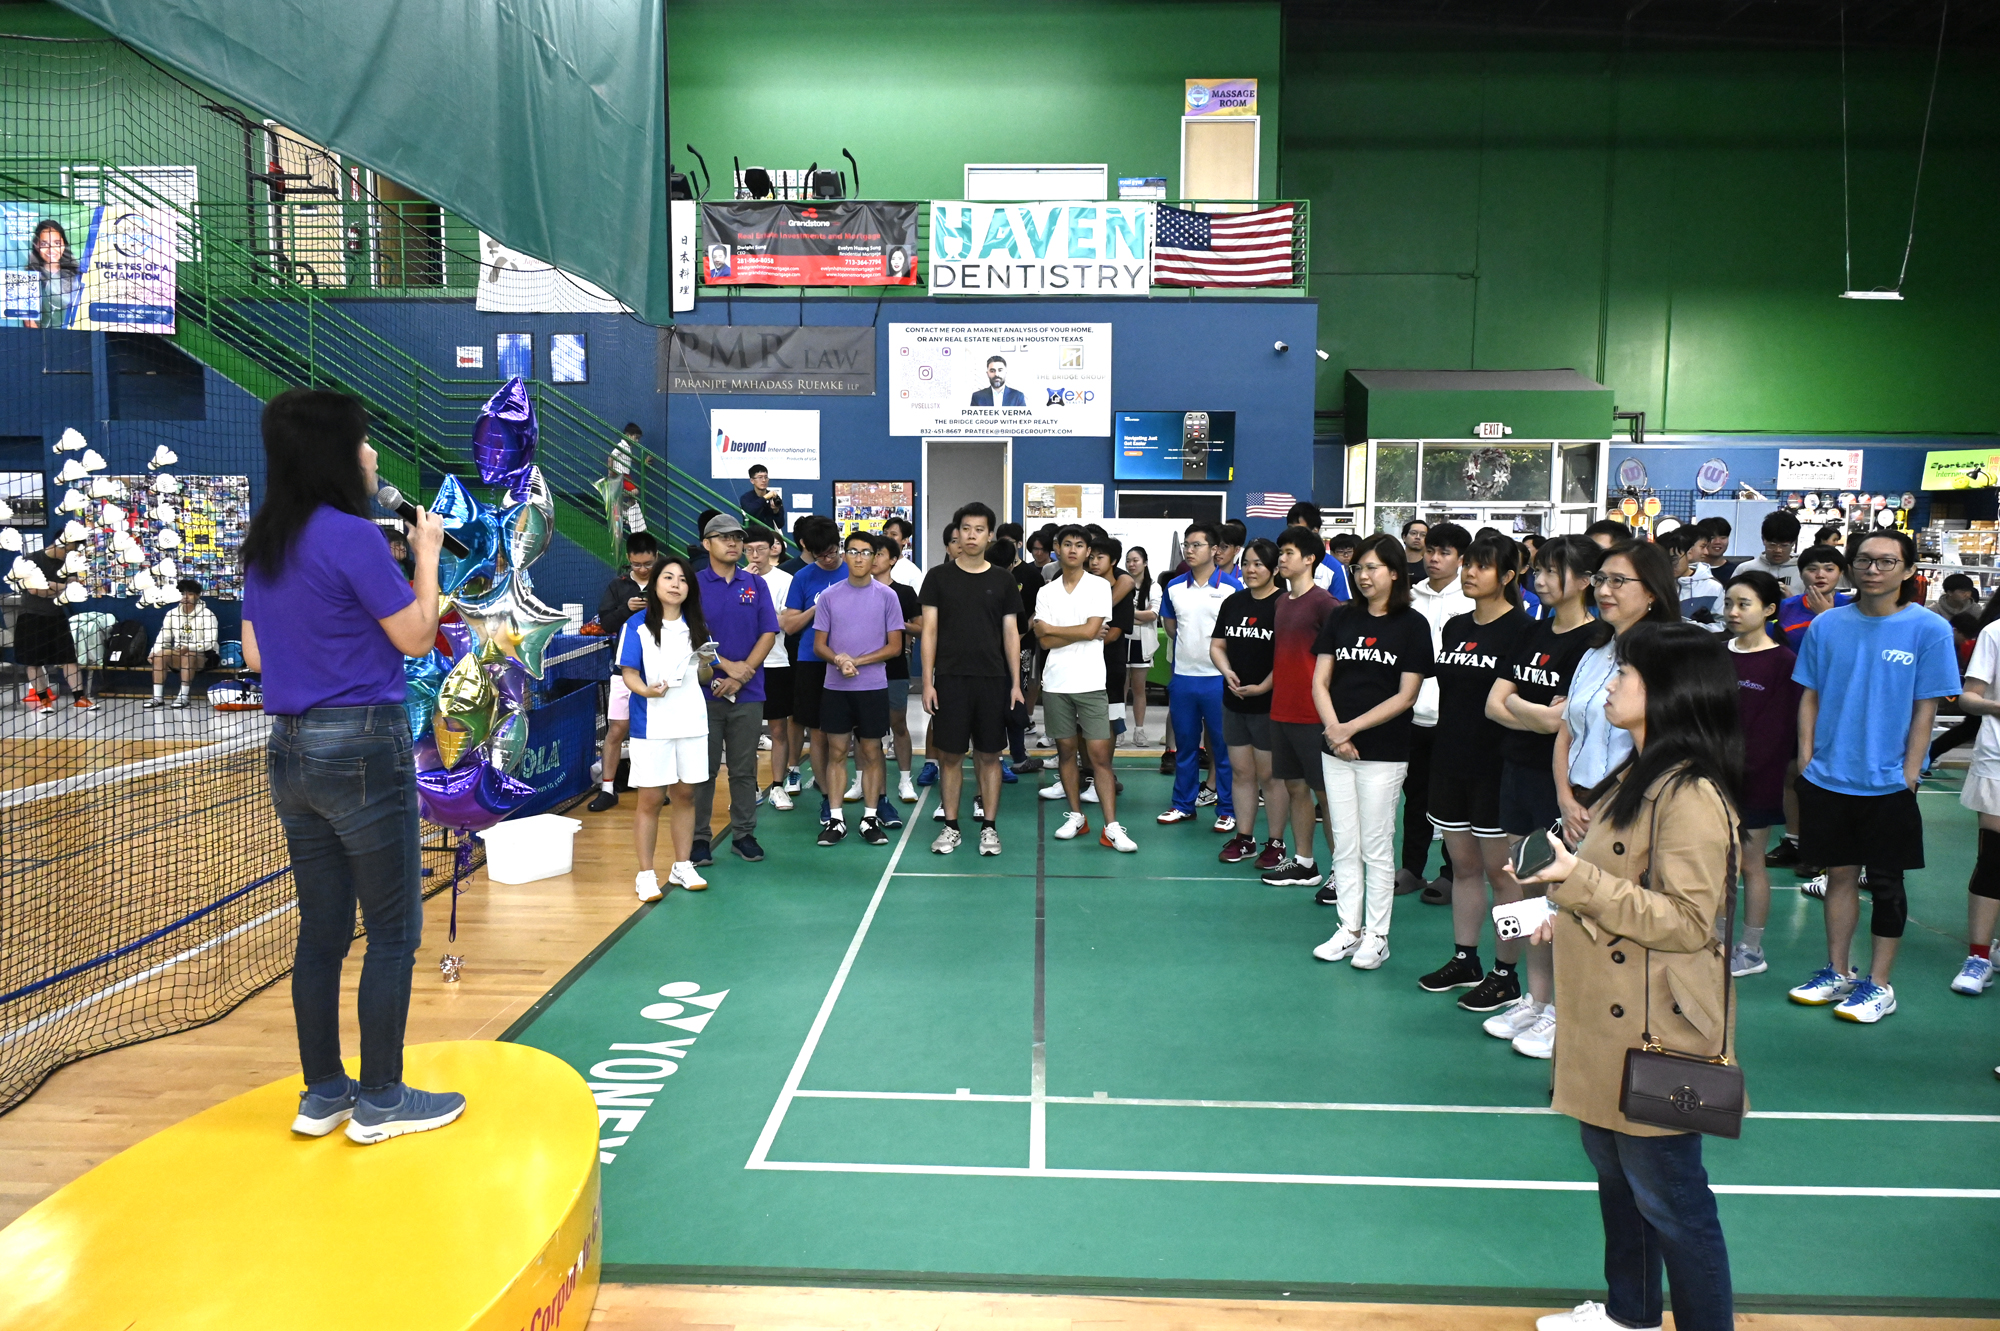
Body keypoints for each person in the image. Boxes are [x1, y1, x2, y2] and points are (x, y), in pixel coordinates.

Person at [240, 387, 463, 1143]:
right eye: (364, 441)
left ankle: (323, 1093)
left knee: (323, 932)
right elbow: (417, 635)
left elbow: (257, 654)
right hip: (362, 744)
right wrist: (426, 556)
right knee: (394, 929)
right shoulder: (354, 537)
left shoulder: (267, 541)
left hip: (289, 751)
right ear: (335, 453)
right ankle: (383, 1099)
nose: (371, 454)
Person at [1519, 621, 1741, 1331]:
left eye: (1626, 674)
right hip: (1610, 1018)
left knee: (1673, 1200)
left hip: (1657, 1028)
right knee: (1619, 1178)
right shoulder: (1634, 773)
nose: (1610, 685)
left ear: (1668, 692)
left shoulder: (1690, 795)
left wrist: (1576, 882)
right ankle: (1631, 1312)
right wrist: (1563, 906)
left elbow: (1688, 921)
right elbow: (1618, 888)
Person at [1787, 529, 1958, 1024]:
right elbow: (1810, 695)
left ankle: (1879, 985)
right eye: (1864, 560)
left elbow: (1925, 709)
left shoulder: (1929, 629)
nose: (1873, 570)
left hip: (1888, 784)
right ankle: (1838, 971)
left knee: (1886, 883)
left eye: (1886, 562)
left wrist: (1910, 772)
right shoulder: (1827, 625)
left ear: (1909, 570)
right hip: (1829, 777)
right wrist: (1807, 758)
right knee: (1838, 876)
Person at [1482, 535, 1604, 1058]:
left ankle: (1564, 1012)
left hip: (1562, 784)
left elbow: (1564, 723)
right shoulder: (1531, 631)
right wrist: (1535, 714)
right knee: (1528, 887)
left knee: (1562, 895)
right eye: (1539, 570)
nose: (1542, 579)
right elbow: (1494, 704)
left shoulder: (1595, 641)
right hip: (1517, 773)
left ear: (1585, 581)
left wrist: (1524, 709)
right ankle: (1536, 999)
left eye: (1554, 571)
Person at [1415, 533, 1534, 1012]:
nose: (1469, 573)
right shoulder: (1456, 626)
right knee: (1463, 867)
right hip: (1450, 760)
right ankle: (1466, 959)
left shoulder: (1523, 631)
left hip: (1498, 768)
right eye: (1468, 565)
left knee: (1504, 875)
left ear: (1508, 576)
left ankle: (1507, 973)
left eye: (1482, 567)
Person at [1308, 535, 1434, 970]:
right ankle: (1349, 929)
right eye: (1358, 568)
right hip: (1335, 749)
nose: (1363, 576)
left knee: (1376, 846)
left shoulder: (1412, 625)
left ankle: (1377, 936)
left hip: (1383, 752)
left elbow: (1406, 696)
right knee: (1344, 843)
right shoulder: (1341, 617)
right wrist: (1334, 731)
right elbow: (1320, 681)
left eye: (1372, 568)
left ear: (1395, 573)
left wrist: (1350, 728)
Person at [1556, 541, 1681, 848]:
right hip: (1578, 806)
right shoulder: (1594, 653)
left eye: (1618, 581)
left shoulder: (1668, 657)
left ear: (1652, 591)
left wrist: (1609, 805)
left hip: (1632, 808)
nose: (1603, 591)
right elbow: (1566, 732)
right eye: (1600, 579)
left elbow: (1667, 746)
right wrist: (1566, 800)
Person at [921, 502, 1023, 856]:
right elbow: (929, 632)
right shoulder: (938, 577)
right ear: (957, 532)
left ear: (989, 535)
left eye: (979, 529)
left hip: (993, 679)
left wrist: (1015, 683)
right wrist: (928, 682)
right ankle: (951, 827)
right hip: (950, 679)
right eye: (965, 528)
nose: (971, 535)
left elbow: (1011, 633)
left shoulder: (1003, 580)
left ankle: (989, 828)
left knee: (990, 755)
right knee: (950, 756)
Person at [1032, 525, 1135, 851]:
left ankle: (1112, 827)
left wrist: (1055, 629)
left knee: (1099, 757)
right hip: (1056, 683)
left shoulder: (1099, 587)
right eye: (1067, 544)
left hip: (1091, 682)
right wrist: (1077, 632)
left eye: (1080, 545)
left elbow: (1092, 631)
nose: (1073, 550)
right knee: (1066, 752)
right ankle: (1076, 816)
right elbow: (1044, 641)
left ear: (1088, 551)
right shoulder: (1046, 592)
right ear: (1057, 549)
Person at [621, 554, 714, 899]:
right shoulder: (637, 625)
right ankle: (646, 874)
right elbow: (629, 672)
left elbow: (704, 677)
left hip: (692, 722)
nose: (676, 585)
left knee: (685, 795)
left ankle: (682, 865)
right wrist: (647, 690)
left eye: (683, 579)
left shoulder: (697, 626)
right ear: (655, 584)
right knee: (651, 798)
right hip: (652, 724)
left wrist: (705, 664)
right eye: (669, 578)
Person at [1721, 570, 1800, 978]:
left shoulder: (1783, 662)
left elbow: (1778, 732)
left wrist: (1744, 771)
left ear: (1769, 610)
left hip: (1755, 782)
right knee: (1714, 865)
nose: (1733, 612)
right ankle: (1714, 942)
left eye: (1743, 604)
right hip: (1710, 779)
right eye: (1728, 603)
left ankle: (1750, 949)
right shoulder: (1717, 652)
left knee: (1750, 864)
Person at [691, 512, 779, 867]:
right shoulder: (693, 584)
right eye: (724, 537)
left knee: (744, 769)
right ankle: (699, 838)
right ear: (706, 543)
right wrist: (725, 667)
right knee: (703, 770)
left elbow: (768, 633)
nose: (733, 543)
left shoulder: (755, 584)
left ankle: (744, 834)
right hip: (705, 693)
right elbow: (691, 635)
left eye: (737, 537)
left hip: (749, 693)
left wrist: (742, 676)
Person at [811, 531, 905, 847]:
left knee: (871, 751)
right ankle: (836, 819)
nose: (859, 558)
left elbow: (895, 646)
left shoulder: (888, 597)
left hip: (873, 687)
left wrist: (857, 661)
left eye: (866, 552)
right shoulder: (829, 597)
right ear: (845, 555)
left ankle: (870, 817)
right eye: (853, 551)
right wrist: (838, 659)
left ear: (875, 557)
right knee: (837, 751)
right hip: (836, 687)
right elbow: (819, 645)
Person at [1261, 526, 1339, 891]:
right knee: (1295, 788)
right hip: (1282, 711)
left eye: (1289, 552)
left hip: (1313, 715)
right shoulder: (1281, 602)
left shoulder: (1326, 604)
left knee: (1328, 797)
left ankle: (1343, 873)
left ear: (1309, 559)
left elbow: (1338, 661)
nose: (1281, 558)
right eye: (1281, 552)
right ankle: (1305, 863)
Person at [1402, 522, 1473, 895]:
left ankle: (1450, 874)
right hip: (1411, 715)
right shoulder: (1409, 597)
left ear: (1461, 559)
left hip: (1453, 719)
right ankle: (1411, 869)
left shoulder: (1472, 600)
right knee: (1414, 798)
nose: (1433, 558)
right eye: (1430, 550)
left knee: (1451, 803)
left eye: (1444, 552)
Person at [1156, 522, 1242, 829]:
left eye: (1197, 545)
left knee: (1223, 748)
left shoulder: (1232, 588)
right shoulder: (1174, 587)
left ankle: (1228, 809)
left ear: (1215, 550)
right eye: (1187, 545)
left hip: (1219, 680)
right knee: (1186, 746)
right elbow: (1170, 626)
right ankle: (1183, 805)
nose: (1189, 551)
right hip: (1183, 679)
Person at [1211, 538, 1282, 863]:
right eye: (1247, 564)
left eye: (1259, 564)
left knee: (1270, 776)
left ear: (1275, 569)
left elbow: (1289, 658)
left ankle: (1276, 843)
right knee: (1241, 773)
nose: (1251, 570)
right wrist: (1226, 672)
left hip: (1269, 705)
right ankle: (1244, 838)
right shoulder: (1233, 602)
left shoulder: (1283, 605)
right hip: (1234, 702)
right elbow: (1217, 645)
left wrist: (1264, 687)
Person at [1948, 603, 2000, 998]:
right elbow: (1969, 698)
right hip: (1997, 760)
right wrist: (1997, 707)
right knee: (1994, 858)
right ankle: (1979, 957)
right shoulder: (1995, 633)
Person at [780, 516, 848, 814]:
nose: (828, 559)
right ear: (807, 549)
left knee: (852, 733)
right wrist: (817, 607)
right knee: (819, 732)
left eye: (832, 551)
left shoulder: (854, 570)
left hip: (852, 660)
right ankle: (826, 794)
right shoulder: (803, 577)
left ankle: (867, 793)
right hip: (813, 660)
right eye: (821, 555)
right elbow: (789, 625)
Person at [588, 533, 659, 812]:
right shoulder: (617, 586)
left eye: (648, 564)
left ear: (656, 557)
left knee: (654, 730)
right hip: (623, 669)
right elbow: (606, 623)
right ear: (628, 559)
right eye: (637, 564)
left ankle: (656, 786)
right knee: (617, 729)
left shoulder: (666, 581)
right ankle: (607, 788)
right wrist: (625, 609)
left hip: (657, 670)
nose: (642, 569)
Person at [745, 526, 798, 811]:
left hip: (776, 662)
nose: (755, 555)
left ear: (773, 548)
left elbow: (785, 623)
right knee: (747, 732)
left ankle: (778, 786)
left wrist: (755, 608)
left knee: (778, 729)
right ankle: (749, 787)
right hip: (744, 665)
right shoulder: (737, 579)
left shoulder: (785, 580)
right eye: (749, 550)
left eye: (761, 549)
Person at [872, 534, 923, 808]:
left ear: (892, 560)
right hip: (864, 667)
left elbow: (921, 627)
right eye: (870, 553)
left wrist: (895, 624)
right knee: (866, 730)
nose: (873, 559)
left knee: (898, 724)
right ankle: (863, 780)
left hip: (895, 666)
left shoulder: (904, 592)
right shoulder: (857, 590)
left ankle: (905, 779)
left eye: (879, 554)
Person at [15, 525, 86, 712]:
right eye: (69, 550)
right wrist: (59, 588)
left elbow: (72, 588)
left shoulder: (69, 564)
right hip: (31, 617)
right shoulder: (32, 560)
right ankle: (44, 700)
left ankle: (80, 698)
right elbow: (34, 590)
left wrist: (49, 586)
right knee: (34, 662)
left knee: (69, 659)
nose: (71, 556)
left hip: (56, 616)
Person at [146, 578, 220, 709]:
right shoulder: (172, 614)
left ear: (197, 595)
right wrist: (153, 651)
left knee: (189, 655)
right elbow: (163, 637)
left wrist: (189, 647)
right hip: (179, 653)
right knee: (160, 655)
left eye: (190, 594)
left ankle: (183, 697)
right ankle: (157, 697)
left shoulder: (208, 615)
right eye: (182, 594)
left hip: (206, 656)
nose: (185, 597)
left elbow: (210, 642)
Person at [1285, 501, 1353, 600]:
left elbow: (1342, 604)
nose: (1293, 534)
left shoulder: (1335, 568)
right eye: (1290, 528)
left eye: (1299, 529)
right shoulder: (1282, 562)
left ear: (1315, 531)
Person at [1124, 545, 1158, 744]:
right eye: (1128, 560)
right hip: (1121, 641)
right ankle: (1118, 731)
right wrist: (1138, 617)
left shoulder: (1154, 586)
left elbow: (1153, 615)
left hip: (1142, 644)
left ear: (1145, 563)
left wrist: (1128, 615)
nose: (1131, 564)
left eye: (1135, 560)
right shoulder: (1121, 583)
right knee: (1119, 690)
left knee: (1139, 689)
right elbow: (1114, 614)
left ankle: (1139, 730)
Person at [1662, 527, 1725, 631]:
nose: (1669, 565)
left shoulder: (1712, 587)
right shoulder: (1657, 585)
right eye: (1663, 561)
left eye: (1674, 560)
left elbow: (1723, 627)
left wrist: (1686, 626)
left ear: (1689, 553)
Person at [24, 218, 83, 330]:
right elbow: (29, 322)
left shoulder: (78, 275)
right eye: (44, 244)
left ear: (64, 245)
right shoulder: (29, 275)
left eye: (57, 243)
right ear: (36, 246)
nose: (51, 249)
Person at [1735, 510, 1806, 598]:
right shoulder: (1745, 569)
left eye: (1784, 545)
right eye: (1772, 544)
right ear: (1763, 540)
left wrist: (1791, 600)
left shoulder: (1804, 571)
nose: (1778, 550)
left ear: (1793, 543)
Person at [882, 515, 924, 592]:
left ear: (905, 540)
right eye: (885, 533)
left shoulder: (912, 572)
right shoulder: (872, 565)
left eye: (893, 534)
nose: (887, 537)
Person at [740, 464, 785, 529]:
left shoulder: (774, 497)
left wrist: (776, 511)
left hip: (769, 533)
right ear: (752, 481)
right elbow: (749, 511)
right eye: (760, 477)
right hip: (752, 533)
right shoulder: (746, 498)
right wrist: (765, 498)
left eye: (766, 477)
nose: (764, 480)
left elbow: (780, 524)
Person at [1400, 518, 1429, 583]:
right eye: (1413, 533)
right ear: (1404, 537)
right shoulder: (1394, 562)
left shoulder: (1429, 565)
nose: (1418, 537)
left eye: (1423, 535)